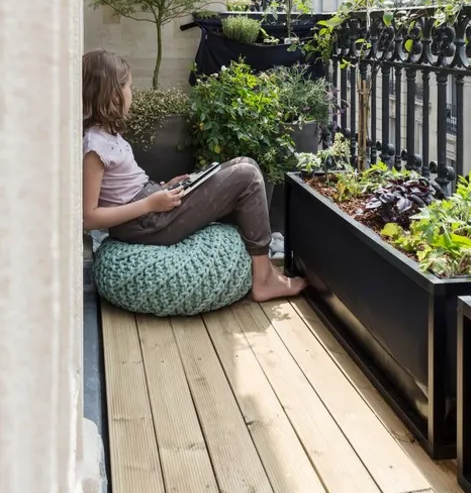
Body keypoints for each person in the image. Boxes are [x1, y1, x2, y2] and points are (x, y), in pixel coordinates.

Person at [82, 49, 306, 303]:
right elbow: (89, 217)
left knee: (242, 164)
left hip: (151, 211)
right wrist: (150, 204)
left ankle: (259, 267)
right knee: (248, 175)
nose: (132, 94)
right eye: (129, 87)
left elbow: (123, 187)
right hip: (145, 224)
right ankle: (263, 277)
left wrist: (163, 188)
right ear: (112, 95)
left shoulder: (108, 135)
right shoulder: (94, 147)